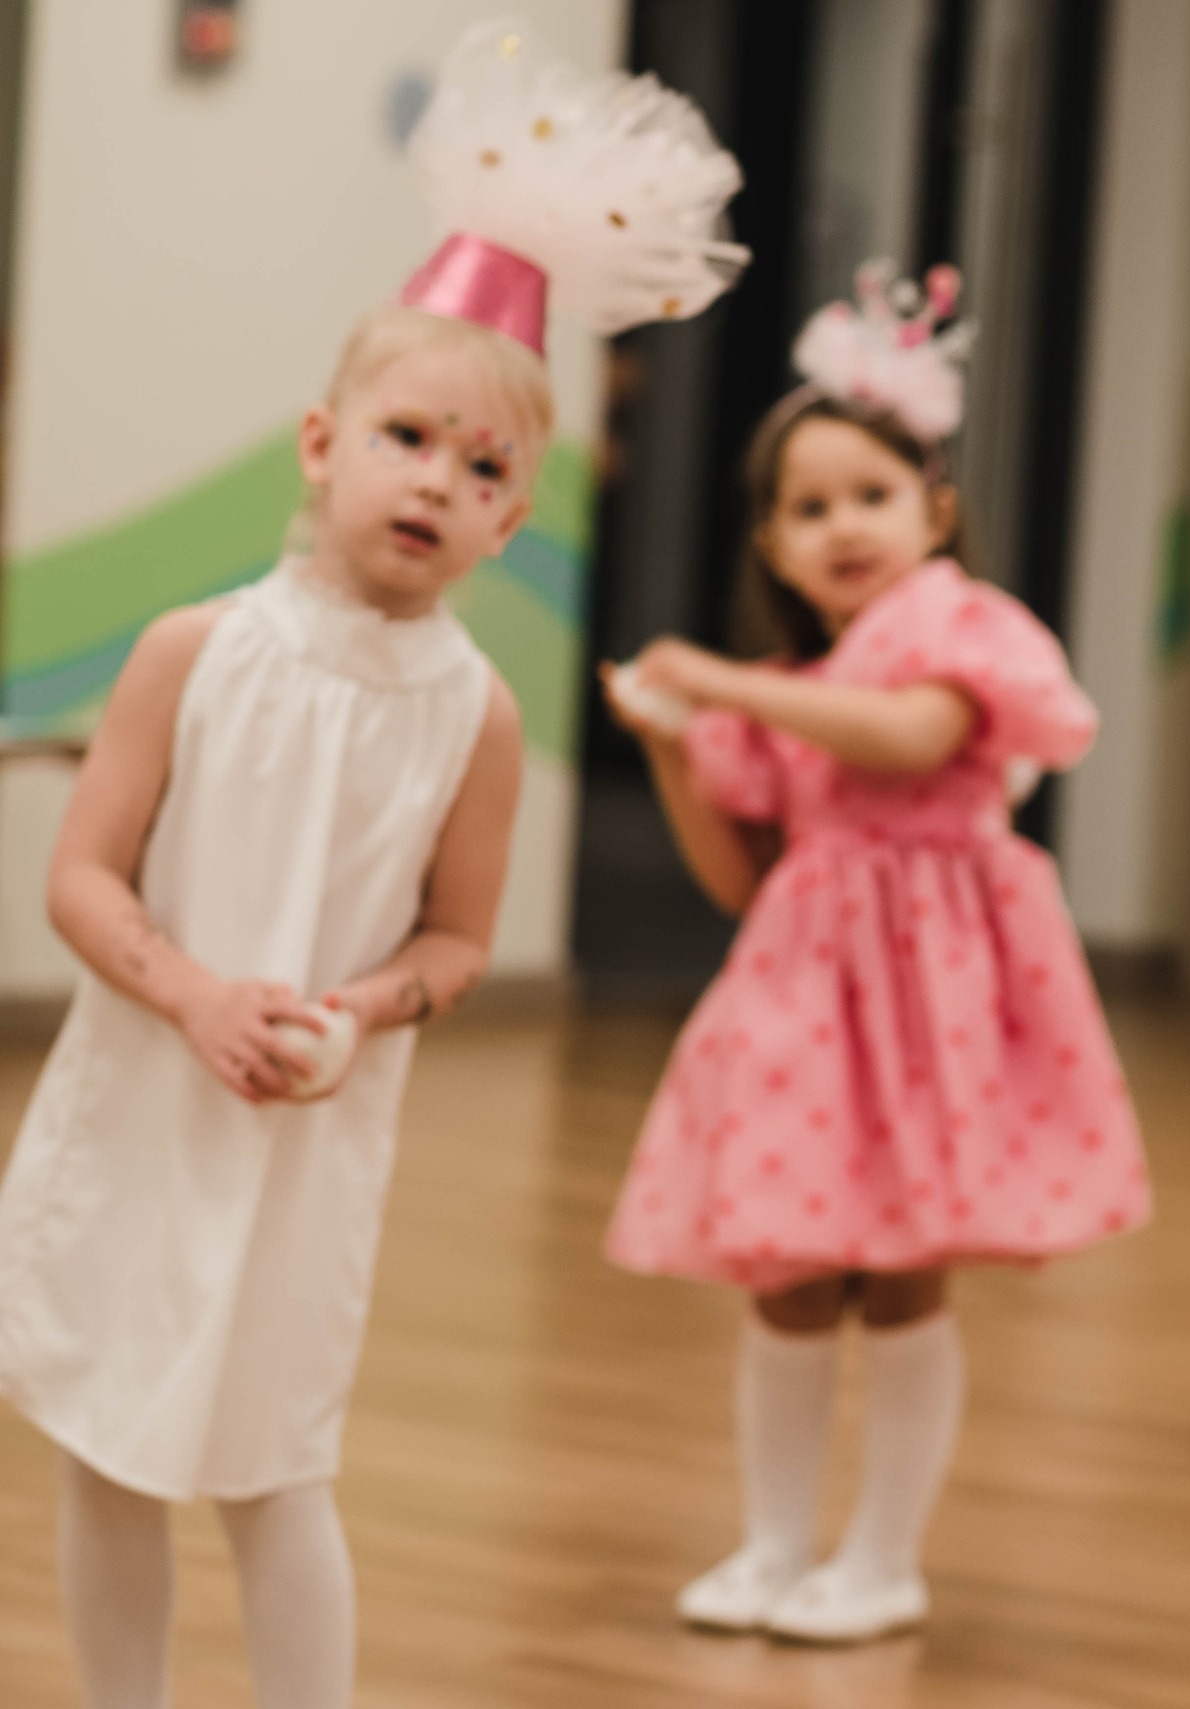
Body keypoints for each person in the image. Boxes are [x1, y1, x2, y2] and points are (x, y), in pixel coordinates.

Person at [0, 25, 742, 1707]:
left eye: (490, 471)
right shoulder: (195, 648)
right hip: (144, 1089)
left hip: (307, 1138)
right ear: (322, 442)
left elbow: (461, 937)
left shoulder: (475, 716)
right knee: (110, 1438)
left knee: (274, 1457)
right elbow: (83, 877)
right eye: (412, 436)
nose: (442, 480)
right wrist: (191, 994)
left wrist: (363, 1012)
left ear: (511, 524)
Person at [600, 262, 1149, 1645]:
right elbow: (743, 875)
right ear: (774, 546)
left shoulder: (954, 626)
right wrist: (679, 746)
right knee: (788, 1275)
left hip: (939, 997)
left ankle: (883, 1556)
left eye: (870, 495)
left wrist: (719, 685)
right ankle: (776, 1542)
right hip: (801, 996)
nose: (842, 525)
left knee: (902, 1276)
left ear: (933, 510)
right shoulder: (797, 686)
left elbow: (912, 737)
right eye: (809, 507)